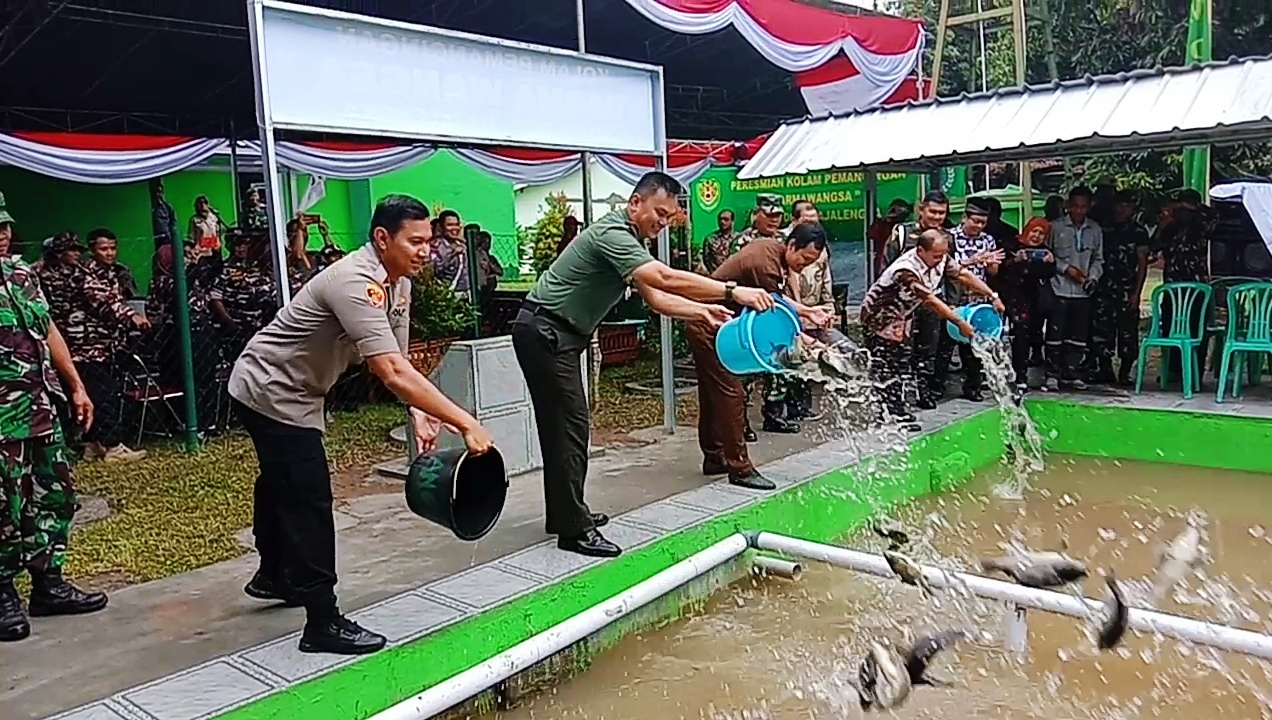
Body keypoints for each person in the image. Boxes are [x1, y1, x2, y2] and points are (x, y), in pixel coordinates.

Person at [228, 194, 496, 656]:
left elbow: (396, 363)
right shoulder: (354, 280)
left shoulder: (399, 284)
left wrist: (418, 409)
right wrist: (465, 421)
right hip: (269, 388)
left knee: (281, 483)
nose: (426, 251)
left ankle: (274, 574)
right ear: (381, 238)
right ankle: (322, 621)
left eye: (429, 241)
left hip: (300, 389)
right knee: (307, 494)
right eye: (415, 241)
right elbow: (392, 371)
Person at [514, 172, 774, 559]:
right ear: (635, 203)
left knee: (564, 427)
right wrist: (733, 291)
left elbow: (656, 297)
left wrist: (703, 312)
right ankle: (572, 529)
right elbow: (663, 276)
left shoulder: (630, 240)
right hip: (545, 332)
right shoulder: (612, 233)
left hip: (556, 335)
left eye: (669, 218)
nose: (662, 223)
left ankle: (566, 514)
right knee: (570, 426)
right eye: (659, 213)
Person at [0, 252, 109, 642]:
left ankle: (49, 584)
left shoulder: (19, 271)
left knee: (53, 494)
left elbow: (47, 329)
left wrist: (75, 385)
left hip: (39, 407)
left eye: (5, 226)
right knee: (3, 506)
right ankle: (3, 594)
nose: (3, 234)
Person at [688, 222, 833, 490]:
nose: (805, 265)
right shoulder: (765, 264)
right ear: (792, 245)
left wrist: (809, 312)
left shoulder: (773, 251)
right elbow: (775, 309)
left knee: (713, 393)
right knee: (732, 392)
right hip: (708, 325)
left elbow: (775, 299)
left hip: (717, 323)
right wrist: (811, 340)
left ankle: (714, 457)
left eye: (812, 262)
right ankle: (740, 468)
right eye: (805, 258)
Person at [860, 229, 1005, 432]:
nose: (940, 260)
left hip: (903, 314)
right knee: (887, 363)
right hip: (880, 317)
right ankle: (891, 412)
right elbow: (930, 299)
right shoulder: (906, 270)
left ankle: (895, 408)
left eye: (943, 255)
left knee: (902, 361)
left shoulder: (941, 258)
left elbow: (962, 274)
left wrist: (992, 295)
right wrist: (959, 322)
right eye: (936, 256)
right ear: (920, 250)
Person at [38, 232, 151, 463]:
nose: (75, 255)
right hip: (87, 346)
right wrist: (131, 316)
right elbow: (101, 299)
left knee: (91, 395)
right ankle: (113, 447)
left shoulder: (71, 273)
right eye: (71, 250)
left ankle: (92, 443)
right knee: (104, 395)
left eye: (77, 250)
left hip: (86, 344)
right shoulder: (71, 275)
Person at [882, 190, 951, 410]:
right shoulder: (902, 233)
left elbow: (951, 272)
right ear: (922, 209)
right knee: (901, 351)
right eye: (933, 211)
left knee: (928, 350)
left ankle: (924, 391)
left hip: (932, 302)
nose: (937, 217)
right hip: (903, 305)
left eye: (942, 213)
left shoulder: (947, 237)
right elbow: (887, 266)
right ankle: (898, 399)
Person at [732, 194, 794, 434]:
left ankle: (774, 414)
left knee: (778, 363)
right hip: (746, 311)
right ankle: (742, 423)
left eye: (777, 215)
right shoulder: (742, 241)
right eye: (768, 215)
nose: (773, 220)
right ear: (756, 214)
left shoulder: (784, 241)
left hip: (776, 308)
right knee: (747, 369)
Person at [938, 197, 1004, 402]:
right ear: (964, 217)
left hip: (977, 298)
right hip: (954, 296)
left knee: (974, 344)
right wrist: (974, 260)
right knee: (945, 345)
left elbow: (993, 271)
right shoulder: (949, 238)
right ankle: (937, 386)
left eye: (982, 223)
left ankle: (973, 387)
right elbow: (948, 268)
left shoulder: (987, 240)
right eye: (974, 221)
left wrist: (990, 262)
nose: (978, 226)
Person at [1046, 186, 1104, 391]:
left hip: (1083, 291)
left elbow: (1098, 259)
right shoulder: (1055, 227)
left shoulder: (1095, 229)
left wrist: (1093, 277)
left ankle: (1071, 373)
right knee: (1055, 335)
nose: (1079, 211)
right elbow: (1046, 255)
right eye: (1075, 206)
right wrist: (1065, 269)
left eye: (1083, 207)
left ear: (1089, 207)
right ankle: (1052, 375)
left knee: (1078, 336)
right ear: (1068, 205)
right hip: (1059, 288)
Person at [1088, 191, 1150, 385]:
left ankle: (1125, 373)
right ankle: (1105, 369)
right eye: (1120, 205)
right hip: (1103, 287)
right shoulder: (1102, 228)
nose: (1123, 210)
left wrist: (1137, 293)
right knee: (1101, 331)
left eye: (1127, 206)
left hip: (1126, 288)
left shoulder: (1138, 232)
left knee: (1128, 332)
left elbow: (1142, 263)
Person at [998, 217, 1056, 394]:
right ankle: (1012, 375)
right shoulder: (1012, 246)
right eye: (1034, 231)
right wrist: (1016, 261)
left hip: (1034, 300)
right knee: (1014, 335)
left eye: (1042, 233)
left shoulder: (1045, 251)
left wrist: (1051, 263)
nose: (1037, 236)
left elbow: (1047, 275)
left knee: (1029, 336)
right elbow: (1000, 270)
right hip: (1012, 298)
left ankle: (1023, 374)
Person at [85, 228, 138, 300]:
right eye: (104, 249)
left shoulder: (121, 271)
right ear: (91, 251)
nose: (110, 253)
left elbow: (132, 300)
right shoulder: (84, 272)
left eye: (113, 248)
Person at [701, 209, 737, 275]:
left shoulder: (738, 238)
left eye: (726, 219)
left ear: (732, 222)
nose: (722, 222)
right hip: (716, 275)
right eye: (720, 219)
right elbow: (706, 259)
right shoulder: (710, 239)